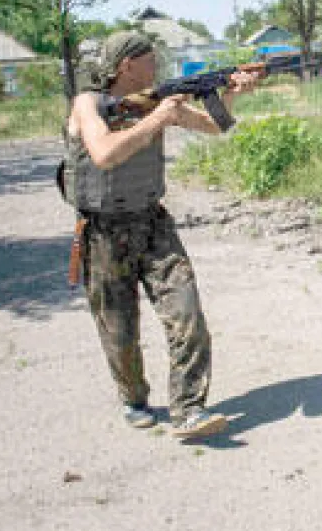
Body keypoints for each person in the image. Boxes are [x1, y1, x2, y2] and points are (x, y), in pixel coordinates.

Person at [63, 32, 259, 440]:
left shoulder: (157, 103)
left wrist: (233, 93)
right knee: (120, 331)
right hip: (102, 231)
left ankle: (188, 410)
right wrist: (159, 118)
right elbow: (103, 154)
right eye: (150, 60)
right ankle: (133, 398)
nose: (157, 67)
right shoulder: (89, 104)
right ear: (126, 66)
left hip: (152, 222)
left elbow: (215, 126)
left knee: (186, 311)